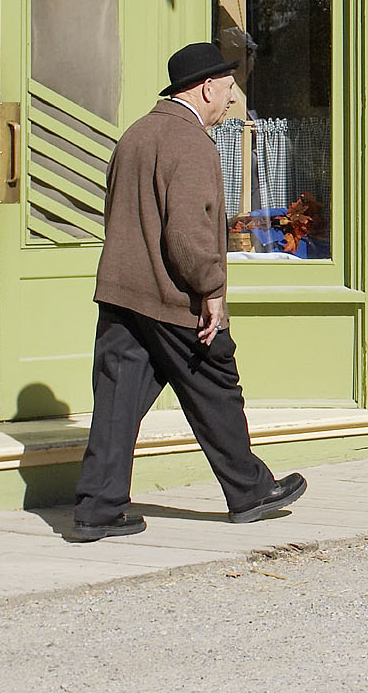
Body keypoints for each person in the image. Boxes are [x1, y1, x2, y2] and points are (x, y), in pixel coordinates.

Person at [71, 42, 309, 541]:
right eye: (228, 88)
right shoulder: (191, 142)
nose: (231, 99)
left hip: (120, 291)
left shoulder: (136, 134)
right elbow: (189, 231)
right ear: (205, 87)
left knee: (116, 398)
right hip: (172, 295)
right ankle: (249, 490)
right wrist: (212, 289)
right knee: (216, 383)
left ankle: (98, 507)